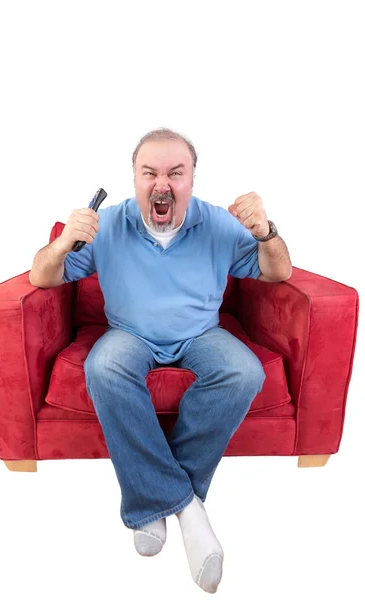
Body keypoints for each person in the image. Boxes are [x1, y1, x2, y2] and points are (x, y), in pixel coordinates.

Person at [29, 127, 292, 594]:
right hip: (128, 335)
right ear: (134, 179)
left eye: (176, 172)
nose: (162, 183)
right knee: (102, 367)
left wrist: (266, 232)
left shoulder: (217, 222)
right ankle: (189, 509)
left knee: (245, 370)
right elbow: (41, 276)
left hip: (201, 334)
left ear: (192, 178)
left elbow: (279, 272)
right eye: (150, 173)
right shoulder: (106, 224)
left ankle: (153, 501)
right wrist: (65, 240)